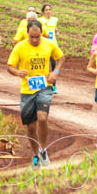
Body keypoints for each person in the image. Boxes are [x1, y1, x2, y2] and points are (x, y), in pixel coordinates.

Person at [7, 19, 63, 168]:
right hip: (27, 89)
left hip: (44, 87)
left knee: (42, 118)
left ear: (41, 34)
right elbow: (10, 66)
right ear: (27, 34)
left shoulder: (49, 44)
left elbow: (61, 58)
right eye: (31, 37)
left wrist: (55, 72)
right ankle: (36, 154)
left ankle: (44, 149)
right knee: (31, 127)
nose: (34, 40)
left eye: (37, 37)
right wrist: (18, 72)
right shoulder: (20, 47)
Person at [38, 3, 60, 94]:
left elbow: (55, 28)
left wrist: (57, 32)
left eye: (49, 9)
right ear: (43, 12)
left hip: (53, 45)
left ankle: (53, 86)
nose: (48, 11)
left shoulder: (54, 19)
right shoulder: (40, 20)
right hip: (43, 45)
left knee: (54, 65)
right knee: (43, 65)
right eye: (46, 10)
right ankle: (42, 84)